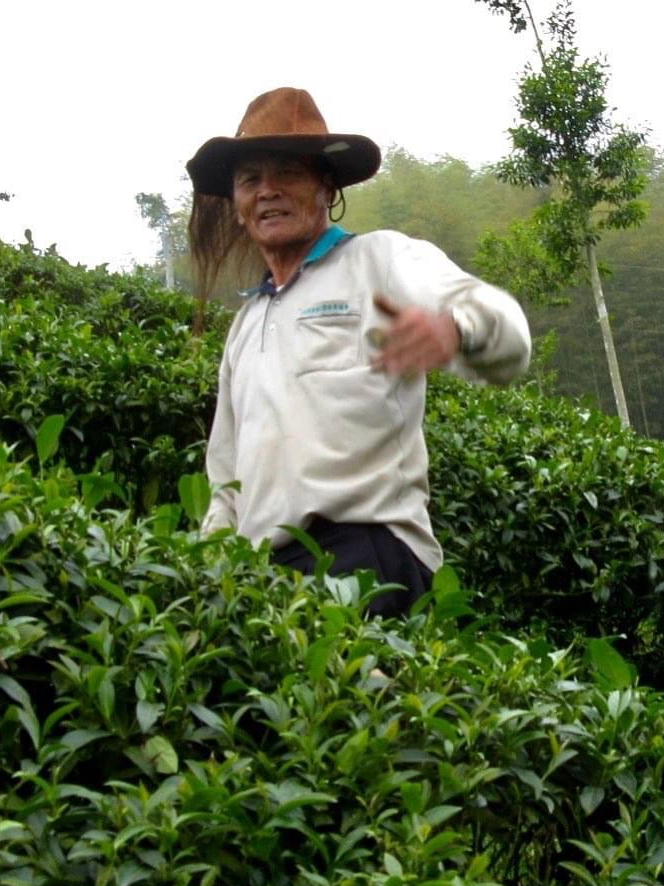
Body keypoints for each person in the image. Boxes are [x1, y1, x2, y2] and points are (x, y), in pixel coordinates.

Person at [186, 87, 531, 615]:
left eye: (289, 174)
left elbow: (508, 333)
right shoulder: (247, 321)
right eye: (250, 179)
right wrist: (211, 571)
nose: (268, 191)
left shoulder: (380, 260)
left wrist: (455, 331)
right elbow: (226, 475)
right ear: (235, 205)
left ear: (326, 186)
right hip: (264, 580)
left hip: (367, 555)